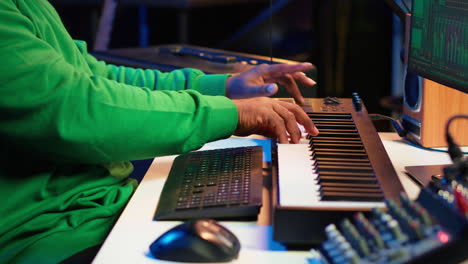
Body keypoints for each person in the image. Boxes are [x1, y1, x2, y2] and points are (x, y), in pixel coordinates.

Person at [0, 0, 318, 263]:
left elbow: (95, 78)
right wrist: (230, 115)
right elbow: (76, 110)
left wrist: (224, 88)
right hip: (46, 238)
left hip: (92, 210)